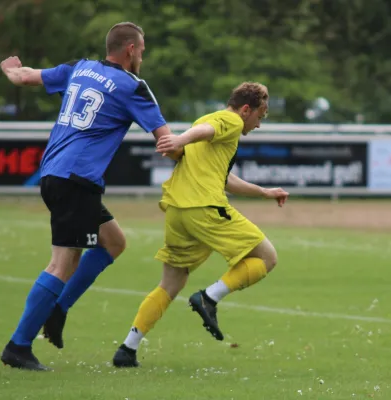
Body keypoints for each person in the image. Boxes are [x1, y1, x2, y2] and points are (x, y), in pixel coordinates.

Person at [0, 22, 180, 371]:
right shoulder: (133, 86)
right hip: (77, 178)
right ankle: (18, 346)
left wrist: (9, 68)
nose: (142, 56)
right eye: (141, 50)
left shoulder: (79, 68)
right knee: (63, 262)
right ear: (130, 50)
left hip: (55, 172)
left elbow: (22, 77)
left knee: (112, 242)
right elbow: (167, 142)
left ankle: (57, 308)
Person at [112, 82, 289, 368]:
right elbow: (203, 133)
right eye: (261, 115)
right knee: (266, 257)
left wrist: (264, 192)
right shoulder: (230, 120)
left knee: (171, 283)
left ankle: (127, 349)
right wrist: (180, 140)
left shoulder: (207, 120)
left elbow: (224, 178)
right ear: (246, 110)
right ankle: (209, 297)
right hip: (204, 208)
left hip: (177, 213)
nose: (259, 123)